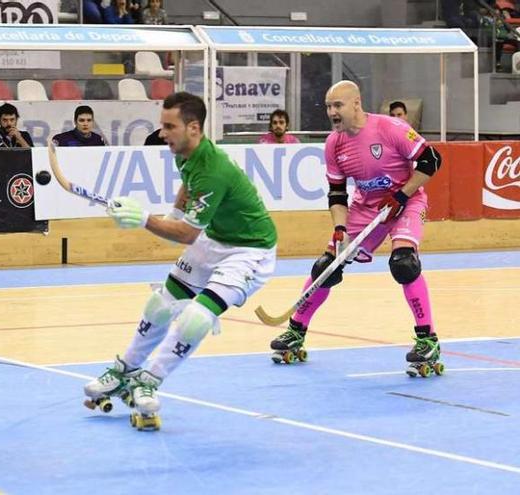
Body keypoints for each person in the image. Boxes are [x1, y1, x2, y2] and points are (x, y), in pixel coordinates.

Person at [83, 92, 277, 429]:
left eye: (169, 126)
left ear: (194, 127)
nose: (162, 133)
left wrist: (144, 219)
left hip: (249, 251)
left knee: (195, 318)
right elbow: (188, 188)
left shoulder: (214, 169)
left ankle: (150, 380)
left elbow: (187, 234)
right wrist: (169, 214)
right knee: (161, 305)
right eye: (162, 125)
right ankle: (125, 369)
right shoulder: (184, 153)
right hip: (215, 238)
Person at [269, 81, 444, 378]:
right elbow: (337, 193)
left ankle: (428, 339)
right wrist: (339, 228)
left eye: (337, 105)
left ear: (356, 104)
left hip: (406, 200)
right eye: (328, 106)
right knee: (327, 266)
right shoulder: (334, 143)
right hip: (366, 209)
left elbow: (431, 160)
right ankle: (295, 332)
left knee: (404, 263)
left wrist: (402, 194)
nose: (332, 112)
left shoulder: (390, 128)